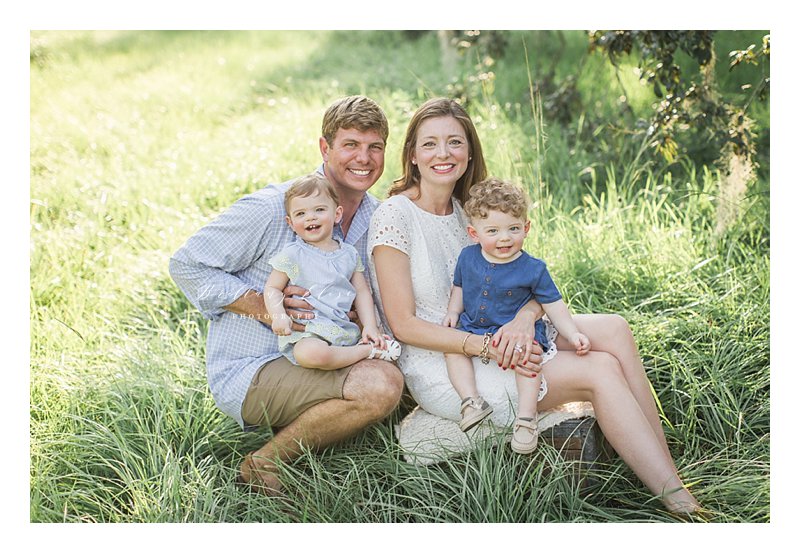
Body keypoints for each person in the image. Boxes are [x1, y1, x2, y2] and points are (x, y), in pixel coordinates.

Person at [368, 97, 702, 515]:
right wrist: (487, 346)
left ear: (470, 151)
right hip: (447, 359)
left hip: (495, 328)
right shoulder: (394, 216)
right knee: (599, 369)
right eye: (430, 144)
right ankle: (680, 503)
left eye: (455, 142)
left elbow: (520, 280)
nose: (443, 154)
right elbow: (404, 326)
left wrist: (526, 319)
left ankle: (663, 460)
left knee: (614, 328)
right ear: (413, 155)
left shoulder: (465, 210)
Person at [170, 95, 404, 496]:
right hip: (254, 366)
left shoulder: (377, 218)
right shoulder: (271, 208)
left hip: (328, 352)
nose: (363, 158)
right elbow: (186, 264)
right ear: (324, 148)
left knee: (409, 370)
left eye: (375, 147)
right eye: (350, 145)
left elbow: (373, 293)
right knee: (381, 384)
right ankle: (263, 464)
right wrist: (265, 307)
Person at [442, 177, 591, 454]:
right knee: (452, 349)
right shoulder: (467, 257)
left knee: (529, 359)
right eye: (493, 231)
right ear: (475, 234)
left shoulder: (533, 268)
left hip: (515, 332)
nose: (504, 238)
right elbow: (459, 287)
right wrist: (453, 312)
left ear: (527, 227)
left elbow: (553, 303)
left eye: (513, 228)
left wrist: (572, 333)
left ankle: (525, 418)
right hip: (474, 327)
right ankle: (471, 401)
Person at [264, 173, 401, 368]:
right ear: (290, 223)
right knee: (310, 354)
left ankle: (359, 348)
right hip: (309, 332)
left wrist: (370, 325)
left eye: (319, 210)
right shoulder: (293, 254)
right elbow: (272, 289)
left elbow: (362, 292)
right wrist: (279, 316)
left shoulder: (348, 254)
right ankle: (367, 351)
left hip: (343, 329)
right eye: (301, 214)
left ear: (336, 214)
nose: (310, 217)